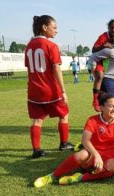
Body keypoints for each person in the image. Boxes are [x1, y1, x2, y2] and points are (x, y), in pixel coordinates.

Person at [34, 93, 114, 188]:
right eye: (111, 106)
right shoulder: (93, 120)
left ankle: (79, 177)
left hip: (111, 157)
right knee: (81, 155)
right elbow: (85, 140)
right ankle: (52, 176)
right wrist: (96, 155)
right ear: (101, 107)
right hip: (93, 155)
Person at [25, 15, 74, 159]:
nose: (56, 31)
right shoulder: (51, 46)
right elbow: (56, 69)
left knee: (37, 120)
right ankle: (64, 143)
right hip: (50, 90)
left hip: (33, 90)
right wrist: (63, 91)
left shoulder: (28, 46)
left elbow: (29, 67)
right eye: (54, 27)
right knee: (64, 114)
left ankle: (36, 150)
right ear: (44, 28)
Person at [91, 19, 114, 112]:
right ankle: (95, 100)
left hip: (112, 62)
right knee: (99, 76)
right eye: (112, 27)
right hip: (101, 60)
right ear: (108, 27)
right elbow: (93, 49)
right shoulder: (103, 36)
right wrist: (103, 46)